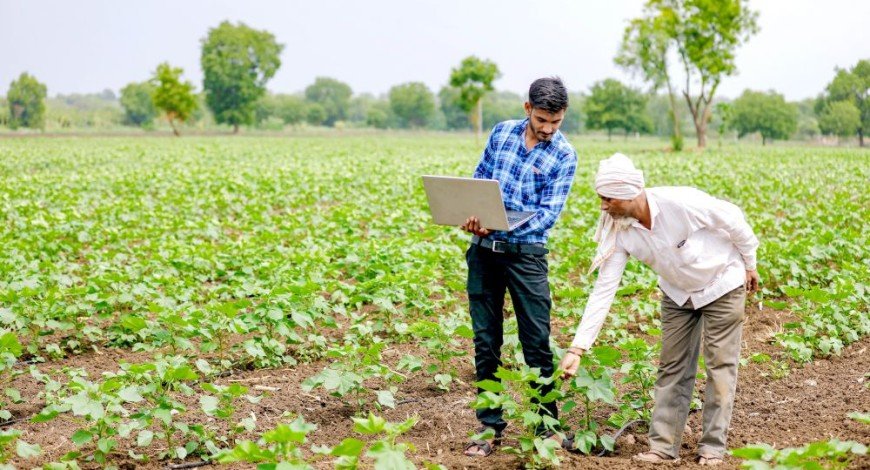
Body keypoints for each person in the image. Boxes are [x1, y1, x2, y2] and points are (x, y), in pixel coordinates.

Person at [559, 153, 759, 466]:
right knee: (672, 368)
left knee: (720, 366)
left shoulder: (680, 203)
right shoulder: (619, 229)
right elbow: (604, 290)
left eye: (607, 198)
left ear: (628, 194)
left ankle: (712, 448)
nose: (602, 206)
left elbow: (733, 221)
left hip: (722, 281)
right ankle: (663, 447)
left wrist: (750, 264)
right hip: (678, 293)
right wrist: (578, 347)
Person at [460, 77, 578, 457]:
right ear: (527, 109)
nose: (547, 129)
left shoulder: (564, 155)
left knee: (536, 342)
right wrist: (473, 216)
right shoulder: (502, 133)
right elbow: (480, 179)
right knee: (486, 341)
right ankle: (488, 426)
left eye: (555, 122)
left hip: (527, 256)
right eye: (542, 120)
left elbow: (547, 215)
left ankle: (547, 426)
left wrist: (503, 224)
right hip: (483, 250)